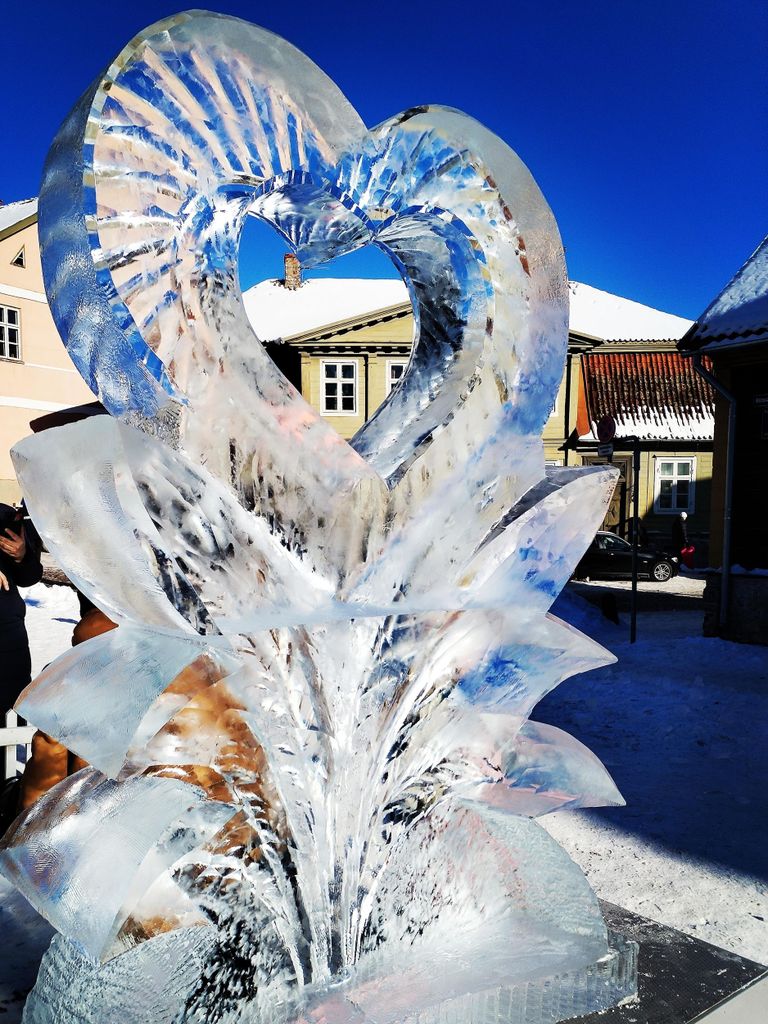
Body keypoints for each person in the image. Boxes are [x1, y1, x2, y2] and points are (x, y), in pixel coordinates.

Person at [0, 503, 43, 715]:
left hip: (9, 636)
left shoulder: (6, 516)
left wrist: (22, 555)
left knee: (11, 709)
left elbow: (30, 576)